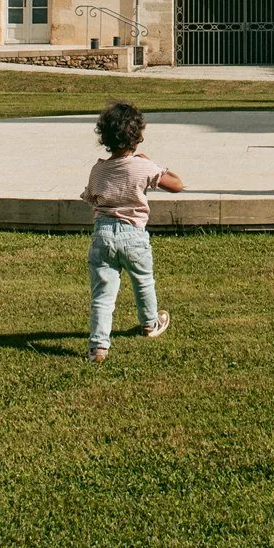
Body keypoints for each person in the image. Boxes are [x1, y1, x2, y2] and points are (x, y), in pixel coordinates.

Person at [80, 101, 183, 364]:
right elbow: (177, 185)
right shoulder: (142, 166)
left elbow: (90, 197)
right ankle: (149, 323)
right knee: (143, 281)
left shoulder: (98, 169)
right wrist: (153, 164)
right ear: (137, 137)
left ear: (104, 137)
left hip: (103, 234)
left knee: (103, 294)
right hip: (133, 235)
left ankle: (98, 347)